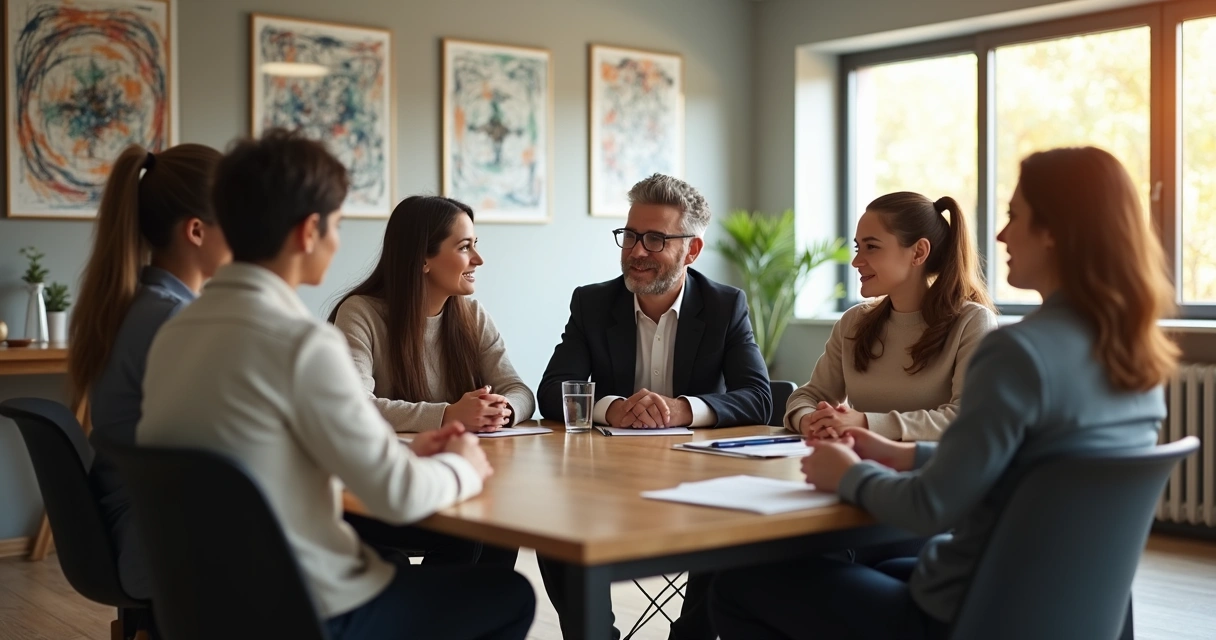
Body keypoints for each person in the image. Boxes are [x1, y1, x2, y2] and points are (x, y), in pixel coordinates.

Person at [710, 146, 1179, 640]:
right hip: (1061, 610)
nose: (1000, 234)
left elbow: (932, 507)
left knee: (739, 584)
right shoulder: (1137, 358)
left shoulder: (1018, 352)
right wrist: (900, 453)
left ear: (1056, 233)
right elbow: (1014, 466)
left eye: (1015, 216)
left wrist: (850, 475)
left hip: (965, 613)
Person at [137, 129, 535, 640]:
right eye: (338, 224)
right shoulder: (300, 345)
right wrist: (462, 466)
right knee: (509, 596)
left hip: (208, 608)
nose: (338, 239)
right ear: (308, 232)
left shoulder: (174, 334)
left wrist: (417, 451)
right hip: (310, 610)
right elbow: (396, 497)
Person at [537, 173, 772, 640]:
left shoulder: (725, 306)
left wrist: (683, 409)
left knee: (733, 528)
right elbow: (552, 390)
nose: (636, 251)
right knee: (554, 519)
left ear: (693, 250)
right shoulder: (592, 302)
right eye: (629, 235)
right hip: (607, 478)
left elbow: (759, 397)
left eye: (654, 239)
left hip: (700, 481)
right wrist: (612, 408)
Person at [331, 195, 530, 568]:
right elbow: (356, 407)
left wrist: (500, 411)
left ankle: (462, 621)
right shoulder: (360, 313)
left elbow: (518, 390)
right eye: (464, 247)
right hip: (383, 492)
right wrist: (450, 414)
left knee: (502, 528)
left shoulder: (471, 314)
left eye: (476, 246)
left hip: (453, 480)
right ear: (423, 259)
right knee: (474, 534)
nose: (478, 260)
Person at [73, 143, 230, 601]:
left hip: (147, 529)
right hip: (162, 542)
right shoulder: (173, 320)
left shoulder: (146, 306)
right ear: (197, 231)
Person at [785, 192, 997, 443]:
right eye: (858, 247)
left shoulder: (972, 323)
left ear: (919, 252)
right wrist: (809, 420)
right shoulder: (853, 322)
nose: (855, 261)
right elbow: (808, 396)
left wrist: (864, 422)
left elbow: (967, 417)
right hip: (855, 467)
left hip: (931, 474)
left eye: (871, 247)